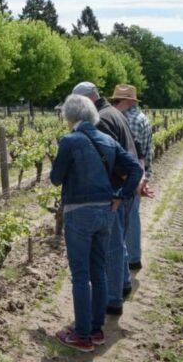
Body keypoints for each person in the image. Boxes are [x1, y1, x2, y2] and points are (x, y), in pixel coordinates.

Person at [50, 94, 142, 352]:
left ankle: (81, 336)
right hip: (105, 211)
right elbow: (135, 168)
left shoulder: (69, 141)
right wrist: (122, 195)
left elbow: (56, 179)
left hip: (78, 212)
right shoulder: (107, 139)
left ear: (70, 116)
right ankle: (96, 330)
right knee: (98, 271)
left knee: (80, 275)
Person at [72, 81, 138, 315]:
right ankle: (124, 284)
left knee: (110, 246)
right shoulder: (115, 113)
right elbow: (134, 148)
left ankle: (112, 299)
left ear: (88, 99)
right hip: (125, 188)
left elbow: (111, 158)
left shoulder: (101, 119)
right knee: (118, 240)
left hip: (115, 191)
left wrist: (118, 189)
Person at [110, 85, 155, 271]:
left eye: (117, 101)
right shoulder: (142, 117)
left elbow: (127, 154)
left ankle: (129, 260)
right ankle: (134, 257)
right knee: (133, 215)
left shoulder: (128, 119)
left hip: (129, 177)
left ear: (129, 102)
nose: (114, 104)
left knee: (124, 219)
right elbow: (144, 153)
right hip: (140, 174)